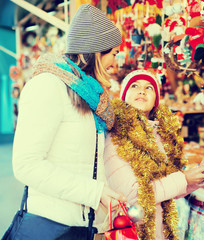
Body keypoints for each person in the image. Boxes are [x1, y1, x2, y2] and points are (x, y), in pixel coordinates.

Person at [10, 4, 126, 239]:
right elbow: (26, 164)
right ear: (93, 52)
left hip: (84, 226)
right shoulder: (48, 87)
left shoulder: (93, 96)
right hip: (52, 224)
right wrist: (95, 192)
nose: (116, 62)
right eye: (113, 53)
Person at [104, 70, 204, 240]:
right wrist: (184, 179)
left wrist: (195, 178)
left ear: (155, 102)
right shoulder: (116, 135)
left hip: (159, 230)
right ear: (124, 96)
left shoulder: (159, 135)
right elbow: (132, 194)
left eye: (149, 88)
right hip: (132, 231)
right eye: (134, 86)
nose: (142, 91)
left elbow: (168, 188)